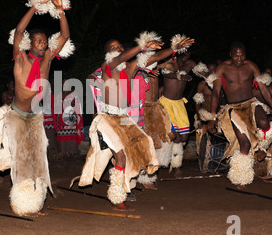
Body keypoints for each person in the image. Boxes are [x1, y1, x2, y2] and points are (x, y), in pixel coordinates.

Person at [74, 32, 194, 211]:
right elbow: (124, 56)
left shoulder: (130, 69)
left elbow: (154, 57)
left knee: (132, 154)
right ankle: (117, 199)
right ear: (107, 54)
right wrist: (142, 45)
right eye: (114, 48)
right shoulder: (107, 66)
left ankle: (121, 193)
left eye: (120, 47)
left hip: (124, 119)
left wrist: (174, 48)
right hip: (107, 119)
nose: (119, 50)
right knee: (121, 157)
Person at [0, 0, 72, 217]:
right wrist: (36, 7)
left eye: (44, 41)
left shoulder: (48, 59)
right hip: (16, 116)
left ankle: (35, 202)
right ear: (30, 43)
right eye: (38, 40)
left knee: (38, 159)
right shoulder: (20, 56)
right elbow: (19, 31)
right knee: (22, 159)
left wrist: (60, 9)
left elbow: (63, 36)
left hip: (35, 117)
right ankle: (22, 205)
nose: (42, 44)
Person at [207, 42, 272, 188]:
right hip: (234, 108)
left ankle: (262, 148)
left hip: (251, 103)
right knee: (245, 144)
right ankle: (240, 177)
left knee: (265, 124)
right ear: (230, 54)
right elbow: (216, 93)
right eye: (236, 55)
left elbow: (264, 90)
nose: (239, 58)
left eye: (242, 55)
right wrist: (212, 116)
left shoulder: (251, 66)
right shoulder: (222, 67)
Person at [158, 46, 196, 175]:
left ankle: (176, 163)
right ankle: (161, 161)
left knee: (183, 137)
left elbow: (201, 71)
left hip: (179, 104)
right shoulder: (169, 64)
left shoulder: (190, 64)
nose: (185, 56)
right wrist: (180, 76)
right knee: (172, 135)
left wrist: (212, 77)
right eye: (182, 53)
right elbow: (165, 73)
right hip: (166, 103)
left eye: (187, 53)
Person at [55, 78, 84, 158]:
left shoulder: (74, 94)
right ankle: (63, 152)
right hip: (61, 118)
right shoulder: (58, 95)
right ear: (61, 85)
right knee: (62, 134)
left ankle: (72, 152)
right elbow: (56, 108)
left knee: (72, 133)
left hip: (71, 118)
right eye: (64, 83)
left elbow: (78, 106)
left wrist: (72, 105)